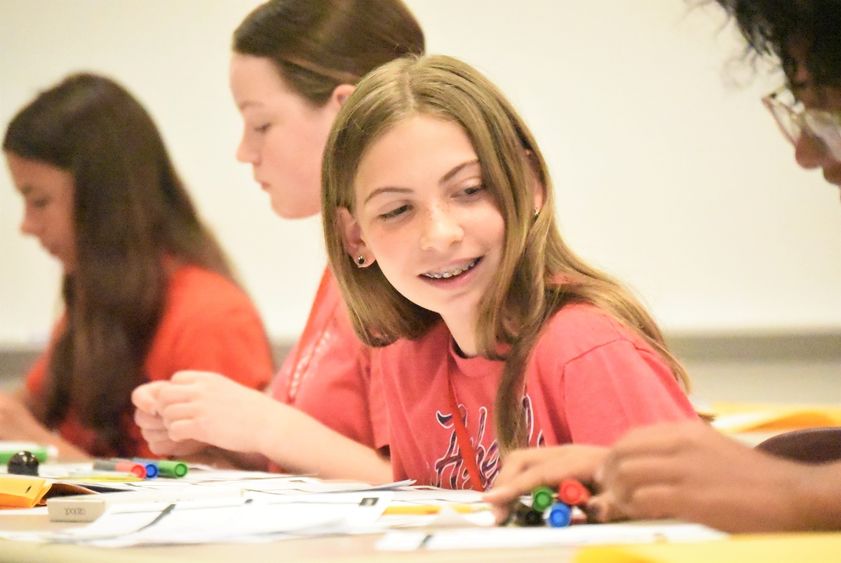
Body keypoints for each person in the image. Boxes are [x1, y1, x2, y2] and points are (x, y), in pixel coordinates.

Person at [486, 0, 841, 531]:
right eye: (800, 110)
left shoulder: (581, 339)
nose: (807, 153)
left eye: (827, 114)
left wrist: (799, 494)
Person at [320, 54, 697, 489]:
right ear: (356, 238)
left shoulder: (583, 350)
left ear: (529, 181)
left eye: (470, 190)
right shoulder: (407, 362)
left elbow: (688, 531)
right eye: (398, 210)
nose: (440, 235)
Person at [132, 0, 424, 481]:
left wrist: (265, 426)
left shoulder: (409, 270)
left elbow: (420, 481)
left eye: (262, 124)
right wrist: (216, 433)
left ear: (345, 109)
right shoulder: (345, 265)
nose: (245, 152)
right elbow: (311, 453)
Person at [1, 73, 273, 460]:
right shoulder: (97, 305)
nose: (26, 226)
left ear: (104, 202)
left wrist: (33, 442)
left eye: (40, 201)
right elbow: (25, 406)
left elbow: (212, 498)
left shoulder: (209, 317)